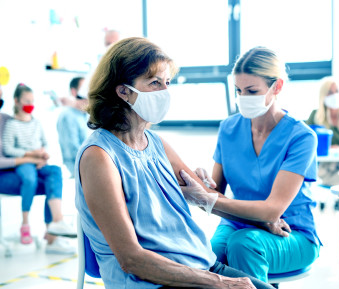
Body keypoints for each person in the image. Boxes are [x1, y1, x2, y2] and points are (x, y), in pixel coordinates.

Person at [75, 36, 278, 289]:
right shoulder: (99, 157)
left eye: (167, 83)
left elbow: (207, 196)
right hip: (152, 281)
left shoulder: (156, 143)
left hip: (200, 266)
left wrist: (260, 220)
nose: (165, 92)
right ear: (123, 91)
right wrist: (220, 283)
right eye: (154, 83)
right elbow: (131, 259)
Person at [193, 47, 321, 286]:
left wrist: (208, 198)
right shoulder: (228, 129)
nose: (243, 98)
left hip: (293, 233)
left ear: (277, 87)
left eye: (252, 91)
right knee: (207, 256)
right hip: (235, 223)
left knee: (244, 244)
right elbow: (213, 196)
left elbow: (272, 210)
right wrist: (202, 185)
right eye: (238, 91)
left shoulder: (301, 137)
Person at [0, 83, 76, 253]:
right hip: (22, 165)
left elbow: (45, 143)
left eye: (32, 101)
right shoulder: (11, 124)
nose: (30, 104)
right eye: (26, 101)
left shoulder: (30, 122)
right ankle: (26, 223)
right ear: (17, 101)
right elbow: (8, 150)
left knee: (54, 173)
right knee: (30, 179)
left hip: (35, 162)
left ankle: (56, 225)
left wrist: (43, 155)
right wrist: (31, 155)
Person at [305, 77, 339, 187]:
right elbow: (306, 145)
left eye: (337, 91)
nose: (334, 95)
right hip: (324, 168)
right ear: (323, 96)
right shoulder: (315, 117)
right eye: (330, 92)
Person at [57, 77, 89, 177]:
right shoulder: (68, 116)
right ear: (74, 92)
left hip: (88, 163)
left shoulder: (85, 114)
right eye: (84, 90)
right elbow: (72, 150)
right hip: (78, 168)